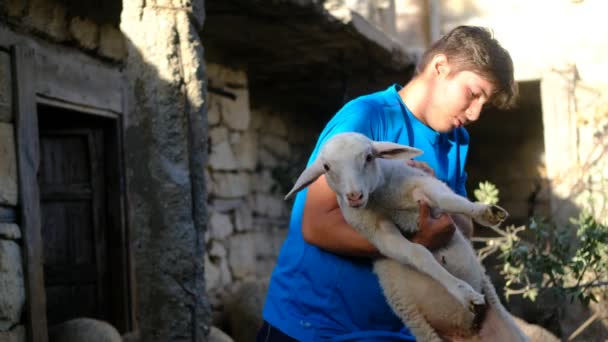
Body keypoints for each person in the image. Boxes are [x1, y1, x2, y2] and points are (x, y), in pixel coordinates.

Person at [258, 25, 518, 342]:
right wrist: (417, 244)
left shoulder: (455, 142)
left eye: (484, 103)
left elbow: (461, 230)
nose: (476, 113)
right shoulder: (366, 117)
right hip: (313, 327)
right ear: (440, 67)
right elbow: (314, 224)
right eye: (473, 94)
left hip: (391, 331)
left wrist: (436, 196)